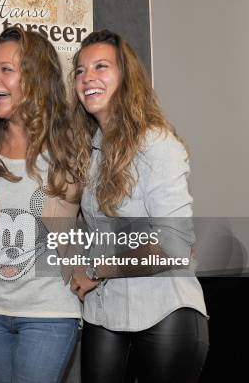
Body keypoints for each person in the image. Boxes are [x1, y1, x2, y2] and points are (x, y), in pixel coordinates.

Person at [69, 29, 209, 383]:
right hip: (105, 311)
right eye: (80, 71)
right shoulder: (90, 151)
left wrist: (98, 271)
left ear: (126, 77)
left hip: (165, 311)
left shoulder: (157, 144)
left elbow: (173, 244)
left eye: (101, 66)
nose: (88, 78)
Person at [0, 26, 87, 383]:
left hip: (49, 310)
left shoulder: (72, 148)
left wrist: (92, 267)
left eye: (6, 69)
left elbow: (106, 213)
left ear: (35, 77)